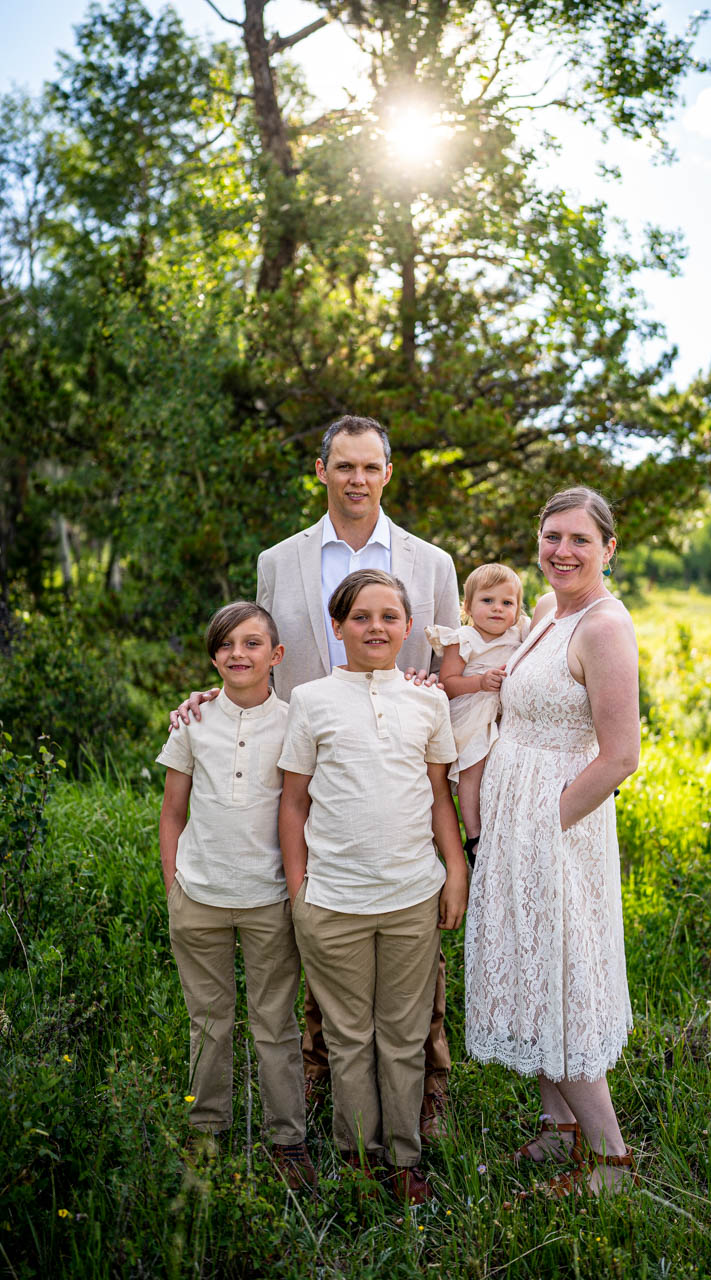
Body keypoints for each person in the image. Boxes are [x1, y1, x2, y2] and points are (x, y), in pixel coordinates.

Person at [168, 416, 461, 1138]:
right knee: (318, 957)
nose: (357, 479)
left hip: (395, 779)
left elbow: (449, 673)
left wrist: (430, 683)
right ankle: (324, 1107)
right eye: (343, 466)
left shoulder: (431, 564)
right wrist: (210, 700)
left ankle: (421, 1114)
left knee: (410, 982)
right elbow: (256, 650)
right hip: (306, 776)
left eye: (370, 467)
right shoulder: (280, 559)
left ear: (387, 474)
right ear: (322, 471)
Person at [464, 487, 641, 1196]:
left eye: (577, 539)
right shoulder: (544, 611)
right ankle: (556, 1129)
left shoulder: (602, 627)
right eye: (550, 537)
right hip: (514, 819)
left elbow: (620, 754)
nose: (561, 551)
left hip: (556, 830)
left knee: (560, 977)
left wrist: (546, 822)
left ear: (607, 548)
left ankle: (609, 1161)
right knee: (533, 967)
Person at [279, 570, 468, 1205]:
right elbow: (294, 803)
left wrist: (455, 870)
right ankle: (358, 1156)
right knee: (347, 1035)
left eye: (390, 617)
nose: (376, 628)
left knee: (404, 1031)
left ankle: (405, 1157)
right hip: (333, 901)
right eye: (361, 617)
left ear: (409, 629)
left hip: (412, 894)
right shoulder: (310, 701)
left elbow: (440, 796)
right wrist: (299, 889)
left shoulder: (428, 702)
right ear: (337, 627)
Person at [156, 602, 315, 1190]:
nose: (238, 654)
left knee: (275, 1021)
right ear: (213, 657)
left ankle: (287, 1138)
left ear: (275, 656)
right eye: (225, 645)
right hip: (199, 895)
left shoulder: (298, 719)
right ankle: (207, 1130)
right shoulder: (192, 721)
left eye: (252, 644)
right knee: (208, 1020)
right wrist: (175, 883)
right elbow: (173, 813)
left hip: (269, 897)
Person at [425, 563, 529, 865]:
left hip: (504, 714)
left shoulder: (519, 632)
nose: (497, 609)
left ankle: (504, 827)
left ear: (518, 609)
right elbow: (448, 684)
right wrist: (480, 682)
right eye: (488, 601)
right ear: (467, 606)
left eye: (507, 603)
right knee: (473, 769)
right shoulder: (463, 638)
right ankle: (474, 836)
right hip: (471, 711)